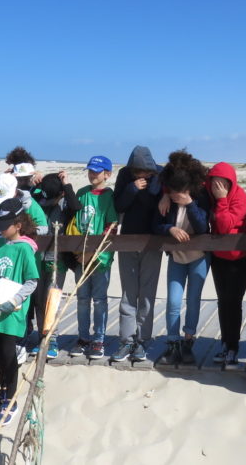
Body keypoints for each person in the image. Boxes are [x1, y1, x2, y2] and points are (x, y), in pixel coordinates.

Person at [0, 198, 40, 427]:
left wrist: (14, 300)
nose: (1, 229)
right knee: (0, 357)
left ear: (18, 225)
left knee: (8, 355)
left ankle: (10, 400)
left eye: (6, 224)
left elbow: (32, 281)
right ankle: (3, 393)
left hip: (11, 311)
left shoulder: (24, 249)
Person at [154, 150, 211, 366]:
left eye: (180, 191)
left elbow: (202, 227)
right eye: (173, 190)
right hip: (176, 258)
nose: (176, 193)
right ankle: (172, 343)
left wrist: (189, 203)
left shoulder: (200, 197)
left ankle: (188, 342)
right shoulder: (166, 198)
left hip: (199, 258)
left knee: (194, 300)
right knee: (174, 302)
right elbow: (155, 224)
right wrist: (169, 228)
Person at [111, 146, 163, 363]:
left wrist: (146, 188)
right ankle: (126, 341)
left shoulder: (159, 175)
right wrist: (132, 188)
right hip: (128, 240)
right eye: (136, 171)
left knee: (147, 295)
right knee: (128, 294)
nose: (140, 175)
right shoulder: (125, 175)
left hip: (152, 242)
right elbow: (118, 204)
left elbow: (156, 206)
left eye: (143, 171)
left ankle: (143, 341)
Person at [67, 156, 118, 360]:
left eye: (97, 171)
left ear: (107, 174)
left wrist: (93, 253)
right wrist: (79, 253)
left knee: (99, 300)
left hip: (100, 258)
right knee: (82, 299)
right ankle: (83, 337)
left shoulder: (109, 196)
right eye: (90, 171)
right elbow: (74, 224)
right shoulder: (81, 194)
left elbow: (111, 228)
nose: (92, 175)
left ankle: (98, 338)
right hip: (81, 256)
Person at [29, 171, 81, 358]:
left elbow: (76, 207)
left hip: (56, 258)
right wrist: (35, 183)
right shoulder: (39, 197)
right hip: (37, 257)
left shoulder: (65, 202)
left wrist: (66, 185)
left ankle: (52, 339)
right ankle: (42, 337)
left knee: (52, 298)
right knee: (38, 299)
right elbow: (25, 195)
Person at [206, 162, 246, 367]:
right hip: (218, 257)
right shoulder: (208, 195)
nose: (218, 186)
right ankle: (226, 344)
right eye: (214, 182)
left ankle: (233, 347)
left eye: (222, 182)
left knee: (234, 301)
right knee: (223, 301)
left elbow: (224, 225)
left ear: (230, 183)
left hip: (240, 258)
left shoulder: (240, 197)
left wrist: (222, 200)